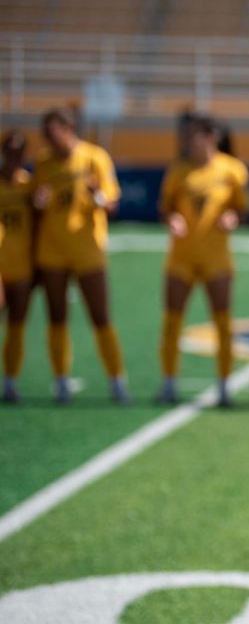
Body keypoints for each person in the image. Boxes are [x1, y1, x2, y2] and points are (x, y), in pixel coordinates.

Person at [31, 109, 129, 404]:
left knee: (100, 316)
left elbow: (111, 203)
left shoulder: (94, 157)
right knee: (57, 317)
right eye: (46, 134)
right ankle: (61, 380)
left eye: (54, 131)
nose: (50, 139)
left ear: (69, 127)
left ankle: (117, 380)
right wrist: (39, 203)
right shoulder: (44, 163)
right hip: (52, 250)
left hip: (88, 250)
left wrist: (96, 194)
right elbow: (35, 206)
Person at [156, 116, 249, 407]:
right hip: (181, 257)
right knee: (172, 320)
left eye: (194, 135)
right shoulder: (178, 171)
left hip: (217, 259)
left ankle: (224, 385)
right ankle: (169, 382)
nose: (188, 141)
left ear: (211, 137)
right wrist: (172, 219)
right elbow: (165, 208)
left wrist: (232, 218)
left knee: (222, 322)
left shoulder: (231, 170)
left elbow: (242, 210)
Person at [0, 131, 34, 404]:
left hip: (22, 265)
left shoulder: (28, 186)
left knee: (17, 326)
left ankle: (10, 381)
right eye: (9, 153)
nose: (14, 159)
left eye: (19, 153)